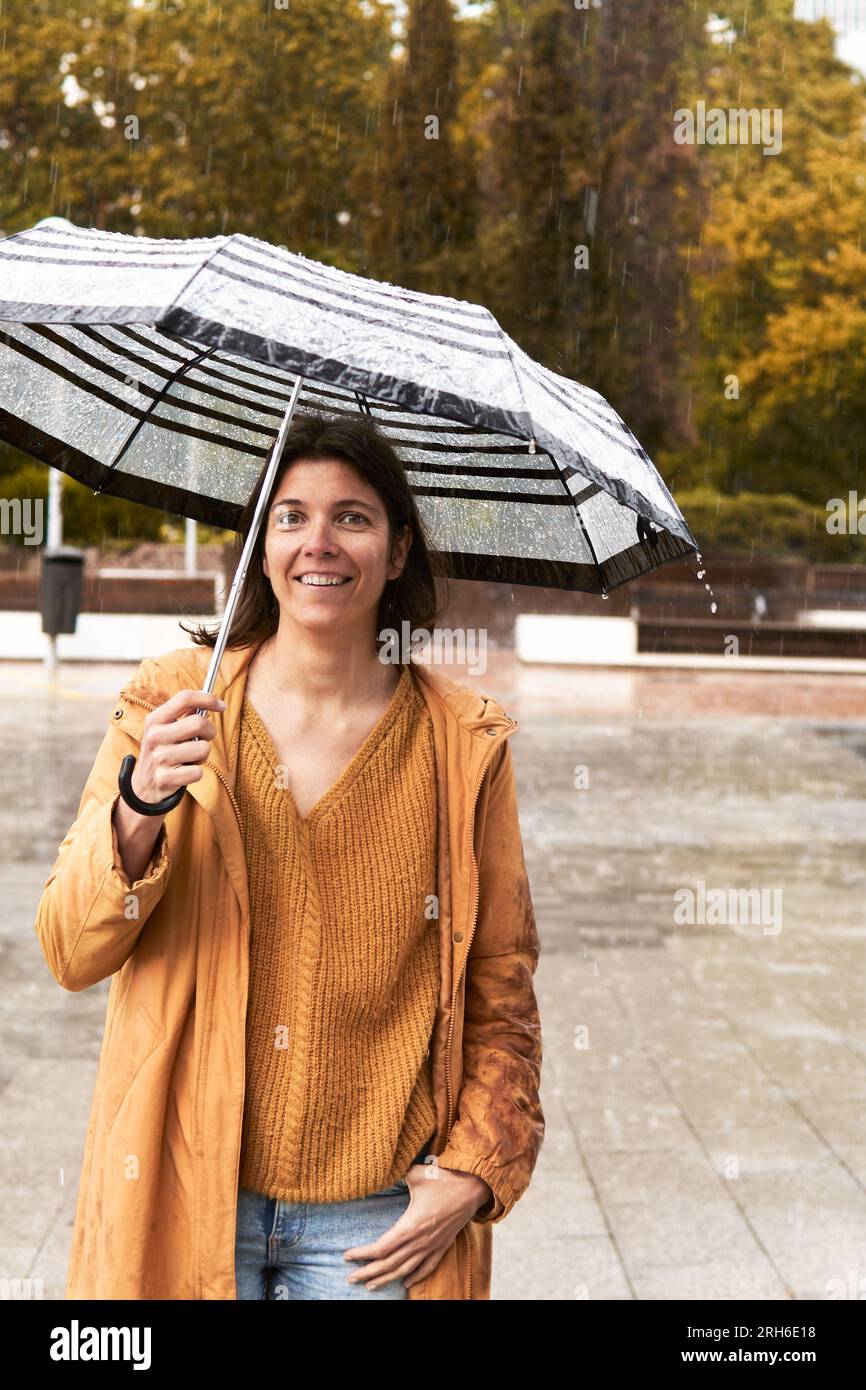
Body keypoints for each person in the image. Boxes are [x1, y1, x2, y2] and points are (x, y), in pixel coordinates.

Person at [34, 408, 544, 1300]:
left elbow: (502, 989)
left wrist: (477, 1167)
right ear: (262, 548)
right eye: (293, 515)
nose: (321, 542)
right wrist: (139, 803)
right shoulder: (170, 704)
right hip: (187, 1198)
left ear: (396, 552)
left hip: (375, 1230)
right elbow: (71, 951)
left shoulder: (462, 748)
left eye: (353, 516)